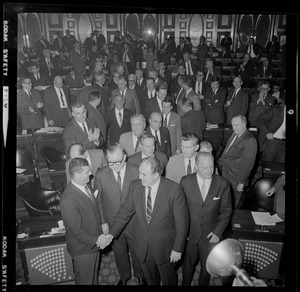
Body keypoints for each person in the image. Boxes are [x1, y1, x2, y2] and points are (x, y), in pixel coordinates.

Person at [100, 156, 189, 286]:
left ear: (157, 174)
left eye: (144, 174)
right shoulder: (135, 186)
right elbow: (124, 213)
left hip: (165, 247)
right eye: (140, 172)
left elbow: (182, 223)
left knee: (169, 280)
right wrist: (111, 235)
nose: (140, 177)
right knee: (150, 280)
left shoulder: (174, 189)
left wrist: (178, 248)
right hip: (142, 246)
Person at [94, 143, 147, 285]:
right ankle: (124, 277)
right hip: (112, 222)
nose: (115, 166)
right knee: (119, 252)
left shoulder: (137, 171)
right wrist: (103, 221)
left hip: (135, 222)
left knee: (137, 251)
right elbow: (98, 201)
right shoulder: (101, 174)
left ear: (125, 157)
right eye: (110, 162)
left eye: (118, 161)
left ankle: (140, 275)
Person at [180, 152, 232, 286]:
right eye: (205, 167)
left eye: (211, 166)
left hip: (211, 235)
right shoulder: (185, 181)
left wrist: (217, 232)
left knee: (207, 267)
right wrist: (182, 232)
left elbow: (226, 211)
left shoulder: (222, 184)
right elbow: (181, 210)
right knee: (188, 265)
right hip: (190, 234)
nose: (210, 170)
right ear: (196, 166)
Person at [59, 158, 107, 285]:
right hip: (83, 249)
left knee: (93, 280)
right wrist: (96, 241)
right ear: (77, 174)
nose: (91, 174)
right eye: (87, 172)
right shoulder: (68, 199)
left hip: (92, 245)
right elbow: (77, 230)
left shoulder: (85, 186)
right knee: (85, 281)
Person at [218, 115, 258, 208]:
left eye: (236, 125)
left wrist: (242, 182)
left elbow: (247, 164)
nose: (233, 128)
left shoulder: (250, 140)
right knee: (225, 199)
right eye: (232, 125)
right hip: (226, 172)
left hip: (236, 178)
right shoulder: (235, 134)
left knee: (232, 203)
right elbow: (226, 152)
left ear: (244, 124)